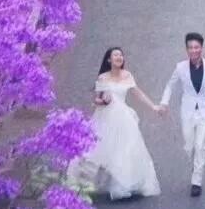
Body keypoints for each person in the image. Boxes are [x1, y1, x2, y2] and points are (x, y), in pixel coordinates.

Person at [68, 47, 161, 200]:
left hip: (123, 118)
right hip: (105, 117)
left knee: (125, 150)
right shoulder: (103, 78)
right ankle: (81, 183)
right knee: (94, 149)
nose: (119, 57)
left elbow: (138, 93)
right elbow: (96, 100)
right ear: (109, 60)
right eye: (115, 55)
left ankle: (123, 184)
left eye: (120, 55)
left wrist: (153, 107)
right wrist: (104, 101)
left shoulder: (127, 75)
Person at [158, 32, 205, 197]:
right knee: (190, 145)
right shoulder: (180, 67)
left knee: (200, 145)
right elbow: (170, 86)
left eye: (196, 47)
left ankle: (196, 181)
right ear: (186, 49)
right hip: (187, 111)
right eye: (190, 47)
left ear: (201, 48)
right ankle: (196, 162)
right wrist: (164, 103)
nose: (193, 50)